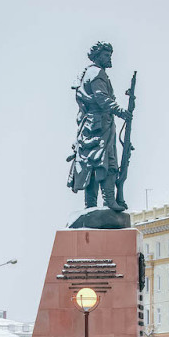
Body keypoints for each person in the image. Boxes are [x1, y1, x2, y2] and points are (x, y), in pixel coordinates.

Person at [67, 41, 131, 212]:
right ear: (97, 56)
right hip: (100, 126)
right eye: (106, 55)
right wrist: (121, 112)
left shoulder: (88, 72)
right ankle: (109, 201)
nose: (109, 58)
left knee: (92, 166)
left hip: (91, 126)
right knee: (107, 163)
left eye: (110, 55)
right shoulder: (97, 73)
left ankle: (91, 206)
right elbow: (102, 99)